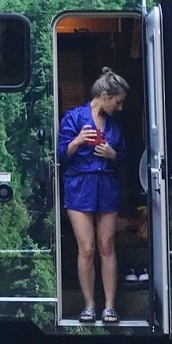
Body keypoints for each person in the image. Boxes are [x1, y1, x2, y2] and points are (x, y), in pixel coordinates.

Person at [58, 66, 129, 325]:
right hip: (79, 184)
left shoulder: (115, 124)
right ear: (106, 96)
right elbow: (60, 155)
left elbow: (123, 159)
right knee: (86, 249)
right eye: (118, 102)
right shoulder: (74, 117)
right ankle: (89, 306)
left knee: (107, 246)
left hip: (106, 185)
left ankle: (109, 307)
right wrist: (77, 141)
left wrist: (114, 155)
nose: (119, 108)